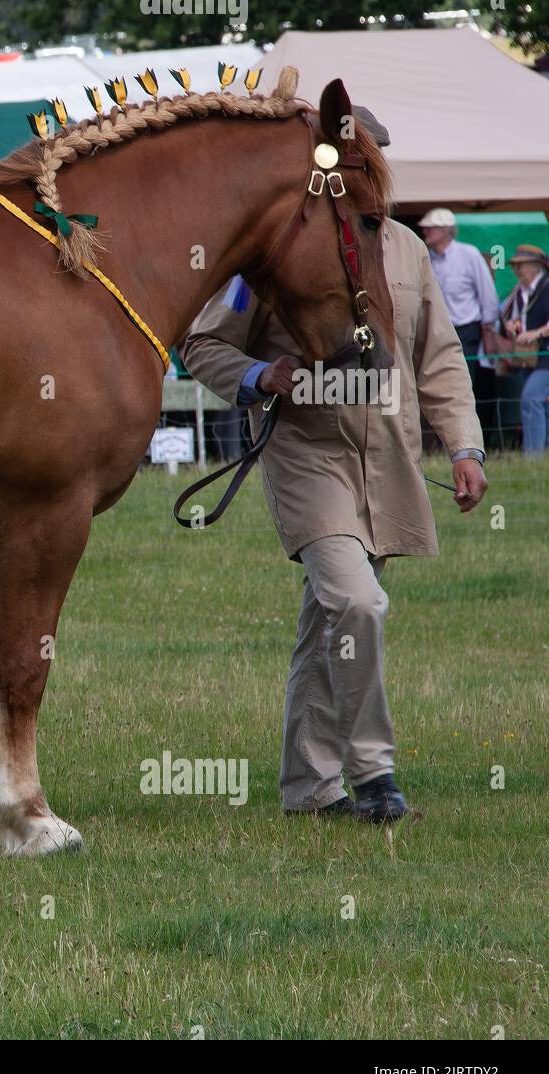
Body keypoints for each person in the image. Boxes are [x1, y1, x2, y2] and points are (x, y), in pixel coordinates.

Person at [182, 108, 487, 823]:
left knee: (330, 625)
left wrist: (465, 445)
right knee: (357, 602)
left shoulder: (410, 251)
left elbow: (439, 357)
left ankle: (309, 791)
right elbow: (203, 347)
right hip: (308, 456)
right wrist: (264, 377)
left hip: (391, 462)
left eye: (372, 165)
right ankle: (374, 775)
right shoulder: (276, 252)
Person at [418, 207, 500, 398]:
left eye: (430, 227)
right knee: (439, 383)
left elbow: (487, 294)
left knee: (463, 383)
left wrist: (488, 331)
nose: (425, 231)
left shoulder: (468, 254)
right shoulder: (425, 259)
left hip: (466, 330)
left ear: (445, 230)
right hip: (435, 331)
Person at [499, 244, 549, 455]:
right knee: (542, 405)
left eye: (521, 266)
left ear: (536, 266)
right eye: (515, 267)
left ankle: (533, 456)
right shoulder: (519, 292)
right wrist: (512, 325)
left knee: (531, 398)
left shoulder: (547, 287)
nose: (517, 271)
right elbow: (504, 315)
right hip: (529, 358)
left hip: (545, 355)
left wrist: (537, 333)